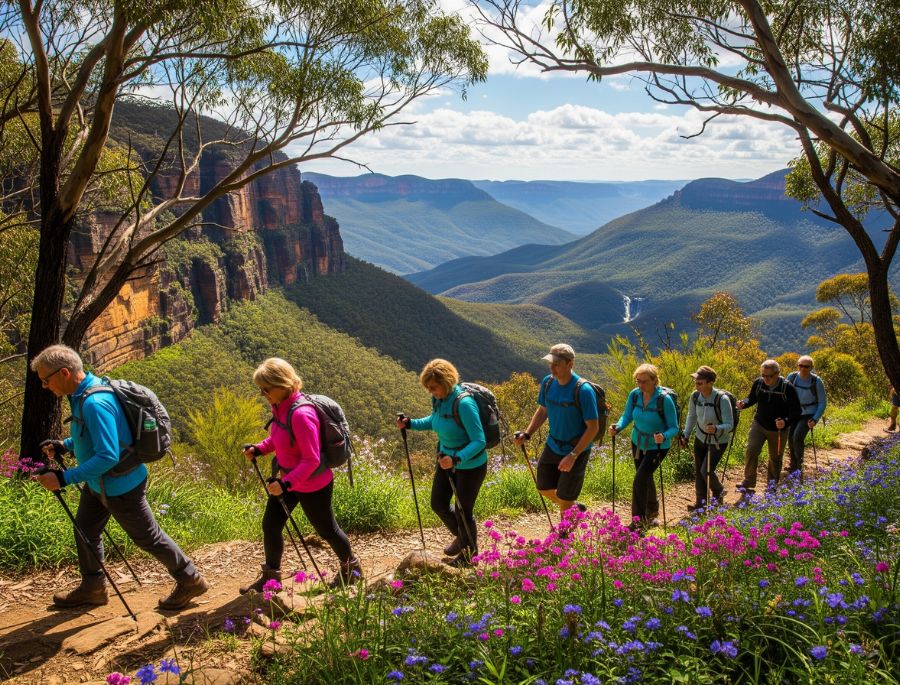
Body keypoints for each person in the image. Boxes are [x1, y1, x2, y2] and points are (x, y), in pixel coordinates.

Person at [31, 344, 208, 610]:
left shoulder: (93, 402)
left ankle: (190, 579)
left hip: (120, 485)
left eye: (46, 379)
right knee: (86, 530)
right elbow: (97, 434)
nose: (45, 386)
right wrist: (65, 445)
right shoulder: (84, 391)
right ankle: (93, 588)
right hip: (98, 482)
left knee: (148, 537)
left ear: (64, 373)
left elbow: (108, 456)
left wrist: (65, 478)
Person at [242, 358, 360, 591]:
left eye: (267, 388)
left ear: (283, 384)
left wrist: (285, 484)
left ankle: (352, 570)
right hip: (289, 481)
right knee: (271, 525)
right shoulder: (280, 408)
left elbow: (312, 459)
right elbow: (281, 438)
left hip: (313, 484)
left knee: (327, 530)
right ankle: (272, 579)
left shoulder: (301, 415)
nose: (264, 393)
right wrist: (260, 448)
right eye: (261, 389)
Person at [396, 359, 487, 567]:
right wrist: (410, 423)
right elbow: (435, 420)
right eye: (428, 388)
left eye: (433, 387)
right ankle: (464, 538)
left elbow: (479, 441)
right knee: (438, 504)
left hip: (470, 466)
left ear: (446, 382)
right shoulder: (440, 400)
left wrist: (457, 458)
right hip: (446, 462)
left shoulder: (464, 404)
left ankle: (469, 555)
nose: (430, 391)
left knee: (464, 510)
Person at [513, 344, 599, 518]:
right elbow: (543, 410)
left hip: (576, 449)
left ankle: (564, 538)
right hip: (553, 444)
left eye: (556, 364)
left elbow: (593, 428)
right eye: (550, 363)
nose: (552, 368)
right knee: (543, 487)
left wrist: (573, 456)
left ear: (570, 364)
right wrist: (527, 433)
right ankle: (574, 508)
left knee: (565, 496)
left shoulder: (584, 390)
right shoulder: (548, 382)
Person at [608, 363, 678, 531]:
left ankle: (638, 522)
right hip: (637, 441)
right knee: (645, 476)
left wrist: (664, 436)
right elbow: (627, 415)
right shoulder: (635, 395)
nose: (640, 385)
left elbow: (674, 427)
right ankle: (652, 509)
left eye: (644, 381)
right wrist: (617, 427)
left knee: (639, 480)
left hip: (658, 446)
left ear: (654, 380)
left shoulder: (664, 400)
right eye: (637, 381)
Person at [735, 360, 802, 501]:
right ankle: (749, 480)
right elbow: (752, 397)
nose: (766, 379)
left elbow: (797, 411)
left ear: (777, 374)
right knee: (751, 450)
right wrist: (744, 403)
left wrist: (785, 421)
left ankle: (771, 485)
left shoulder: (787, 388)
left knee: (775, 457)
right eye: (764, 375)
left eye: (769, 376)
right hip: (759, 424)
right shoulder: (759, 383)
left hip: (778, 429)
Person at [680, 365, 733, 511]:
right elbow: (691, 416)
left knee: (706, 471)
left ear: (710, 382)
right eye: (696, 382)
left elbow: (729, 424)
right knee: (699, 471)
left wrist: (717, 428)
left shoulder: (722, 399)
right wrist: (686, 435)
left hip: (718, 441)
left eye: (700, 382)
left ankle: (718, 492)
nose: (696, 385)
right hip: (700, 438)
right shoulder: (695, 396)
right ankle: (701, 503)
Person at [786, 355, 827, 474]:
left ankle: (799, 465)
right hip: (794, 412)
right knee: (790, 437)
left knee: (797, 436)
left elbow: (822, 402)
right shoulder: (792, 377)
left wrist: (815, 419)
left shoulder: (816, 381)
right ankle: (793, 464)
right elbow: (785, 395)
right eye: (801, 366)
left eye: (806, 366)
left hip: (809, 414)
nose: (803, 368)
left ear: (811, 367)